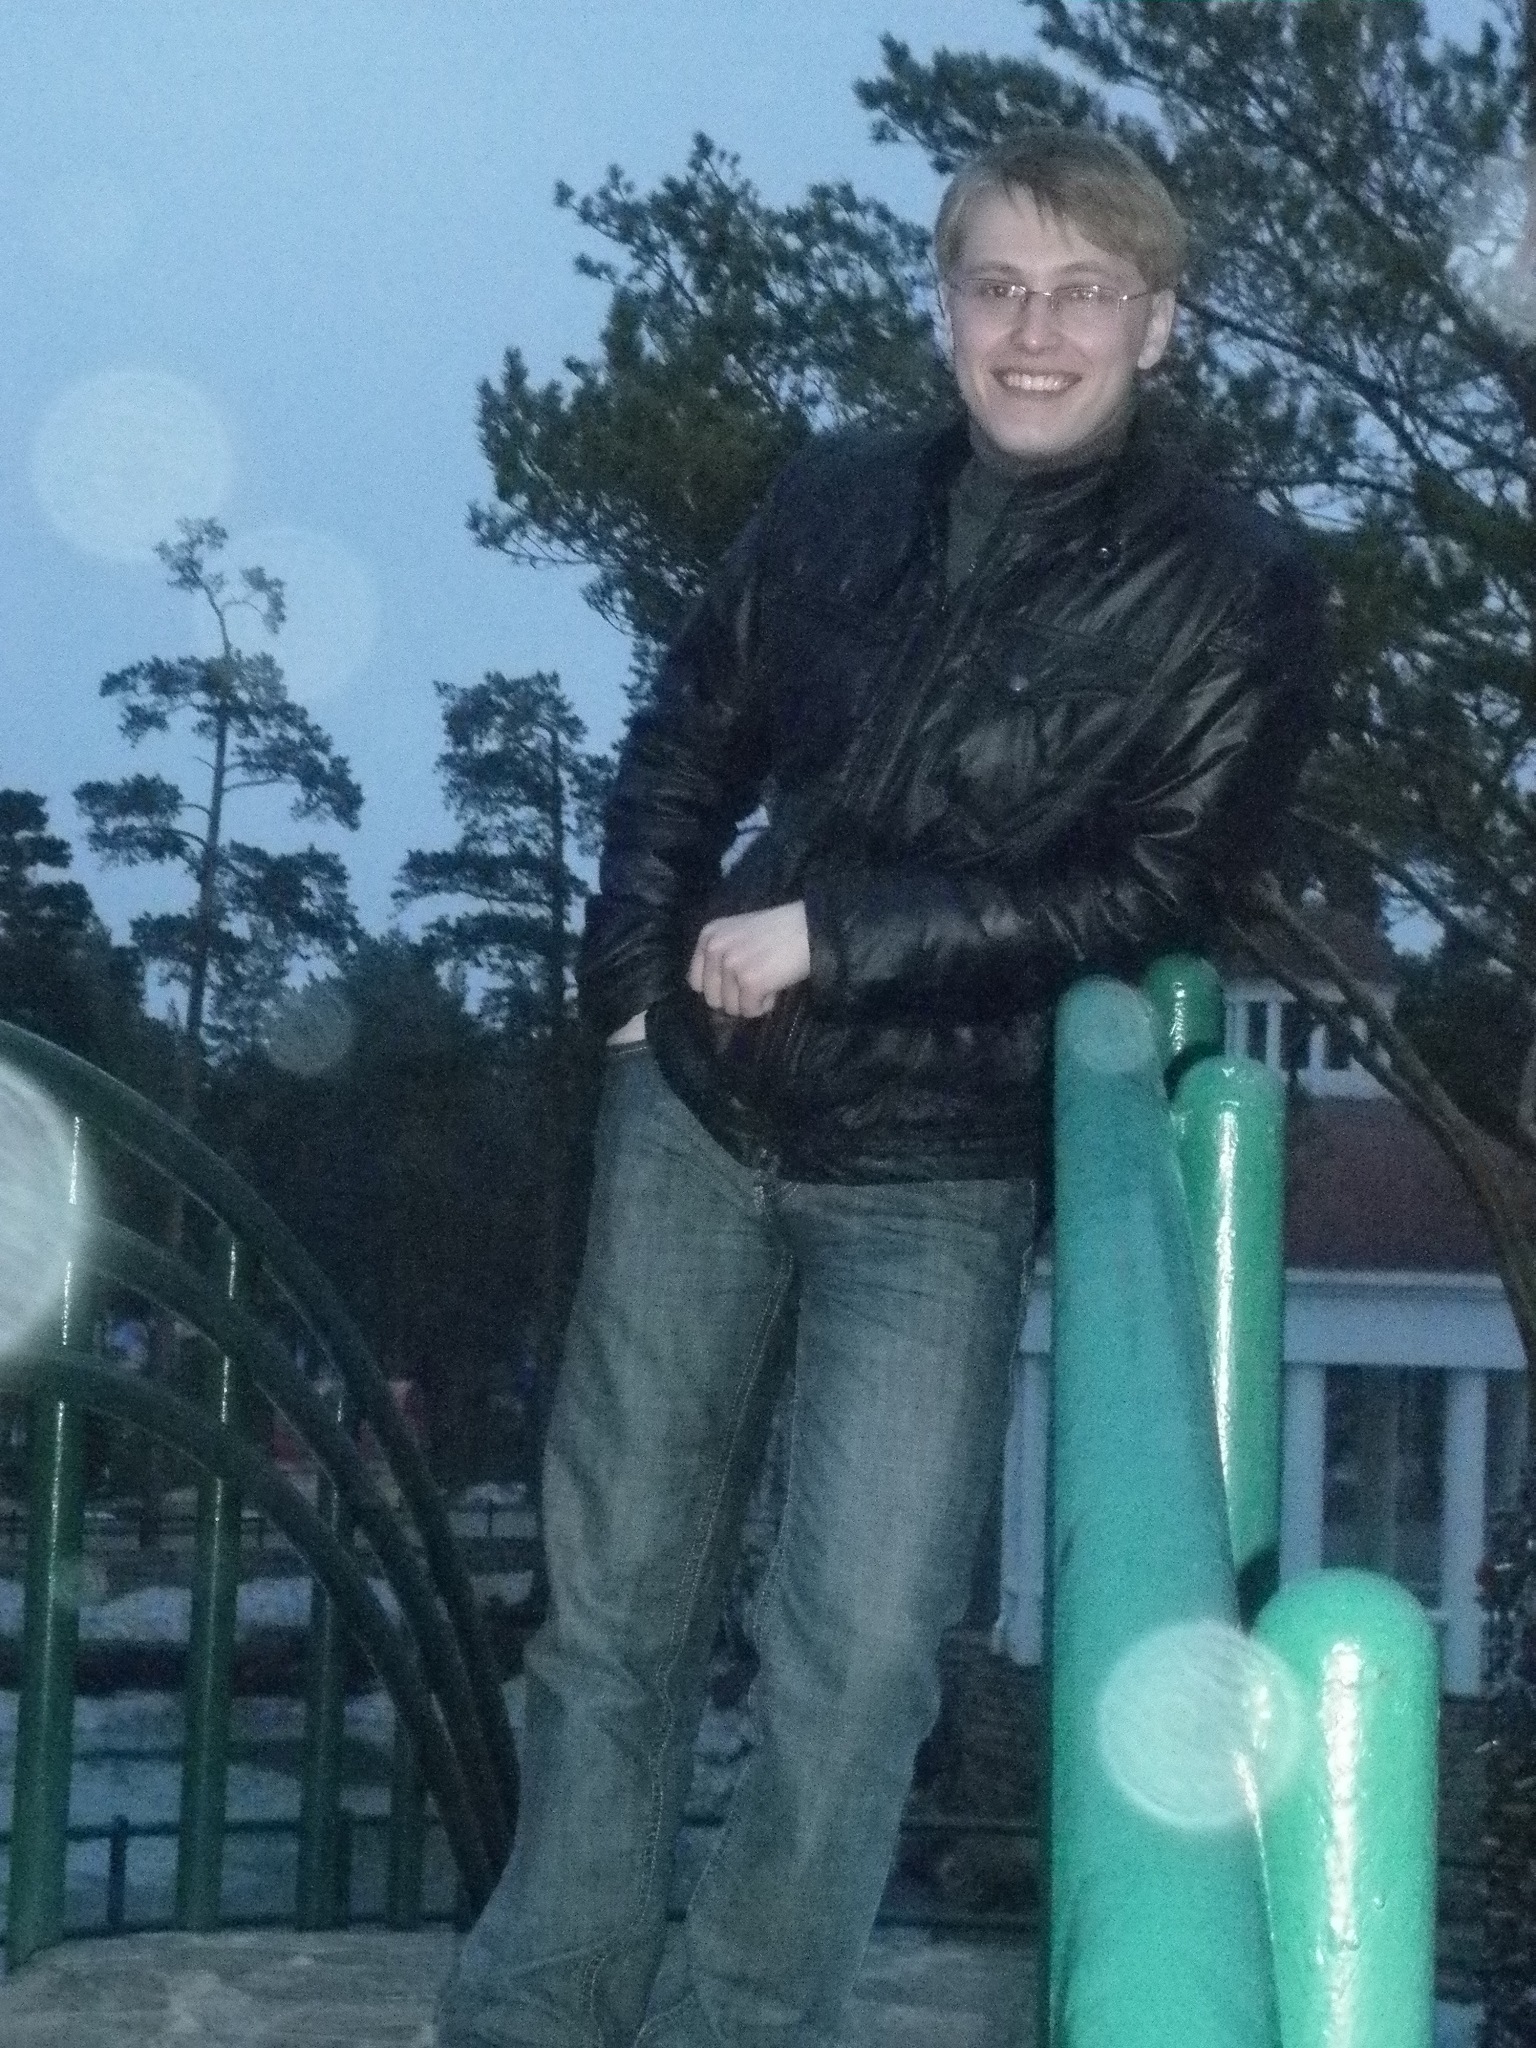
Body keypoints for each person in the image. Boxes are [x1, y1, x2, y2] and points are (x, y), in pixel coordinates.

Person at [437, 126, 1331, 2048]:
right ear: (943, 307)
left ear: (1160, 325)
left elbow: (1158, 892)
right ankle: (540, 2001)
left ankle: (744, 2018)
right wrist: (628, 988)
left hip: (944, 1163)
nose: (1034, 330)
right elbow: (685, 735)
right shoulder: (833, 499)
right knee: (608, 1611)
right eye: (997, 284)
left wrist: (837, 935)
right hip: (698, 1108)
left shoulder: (1239, 585)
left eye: (1084, 292)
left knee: (853, 1662)